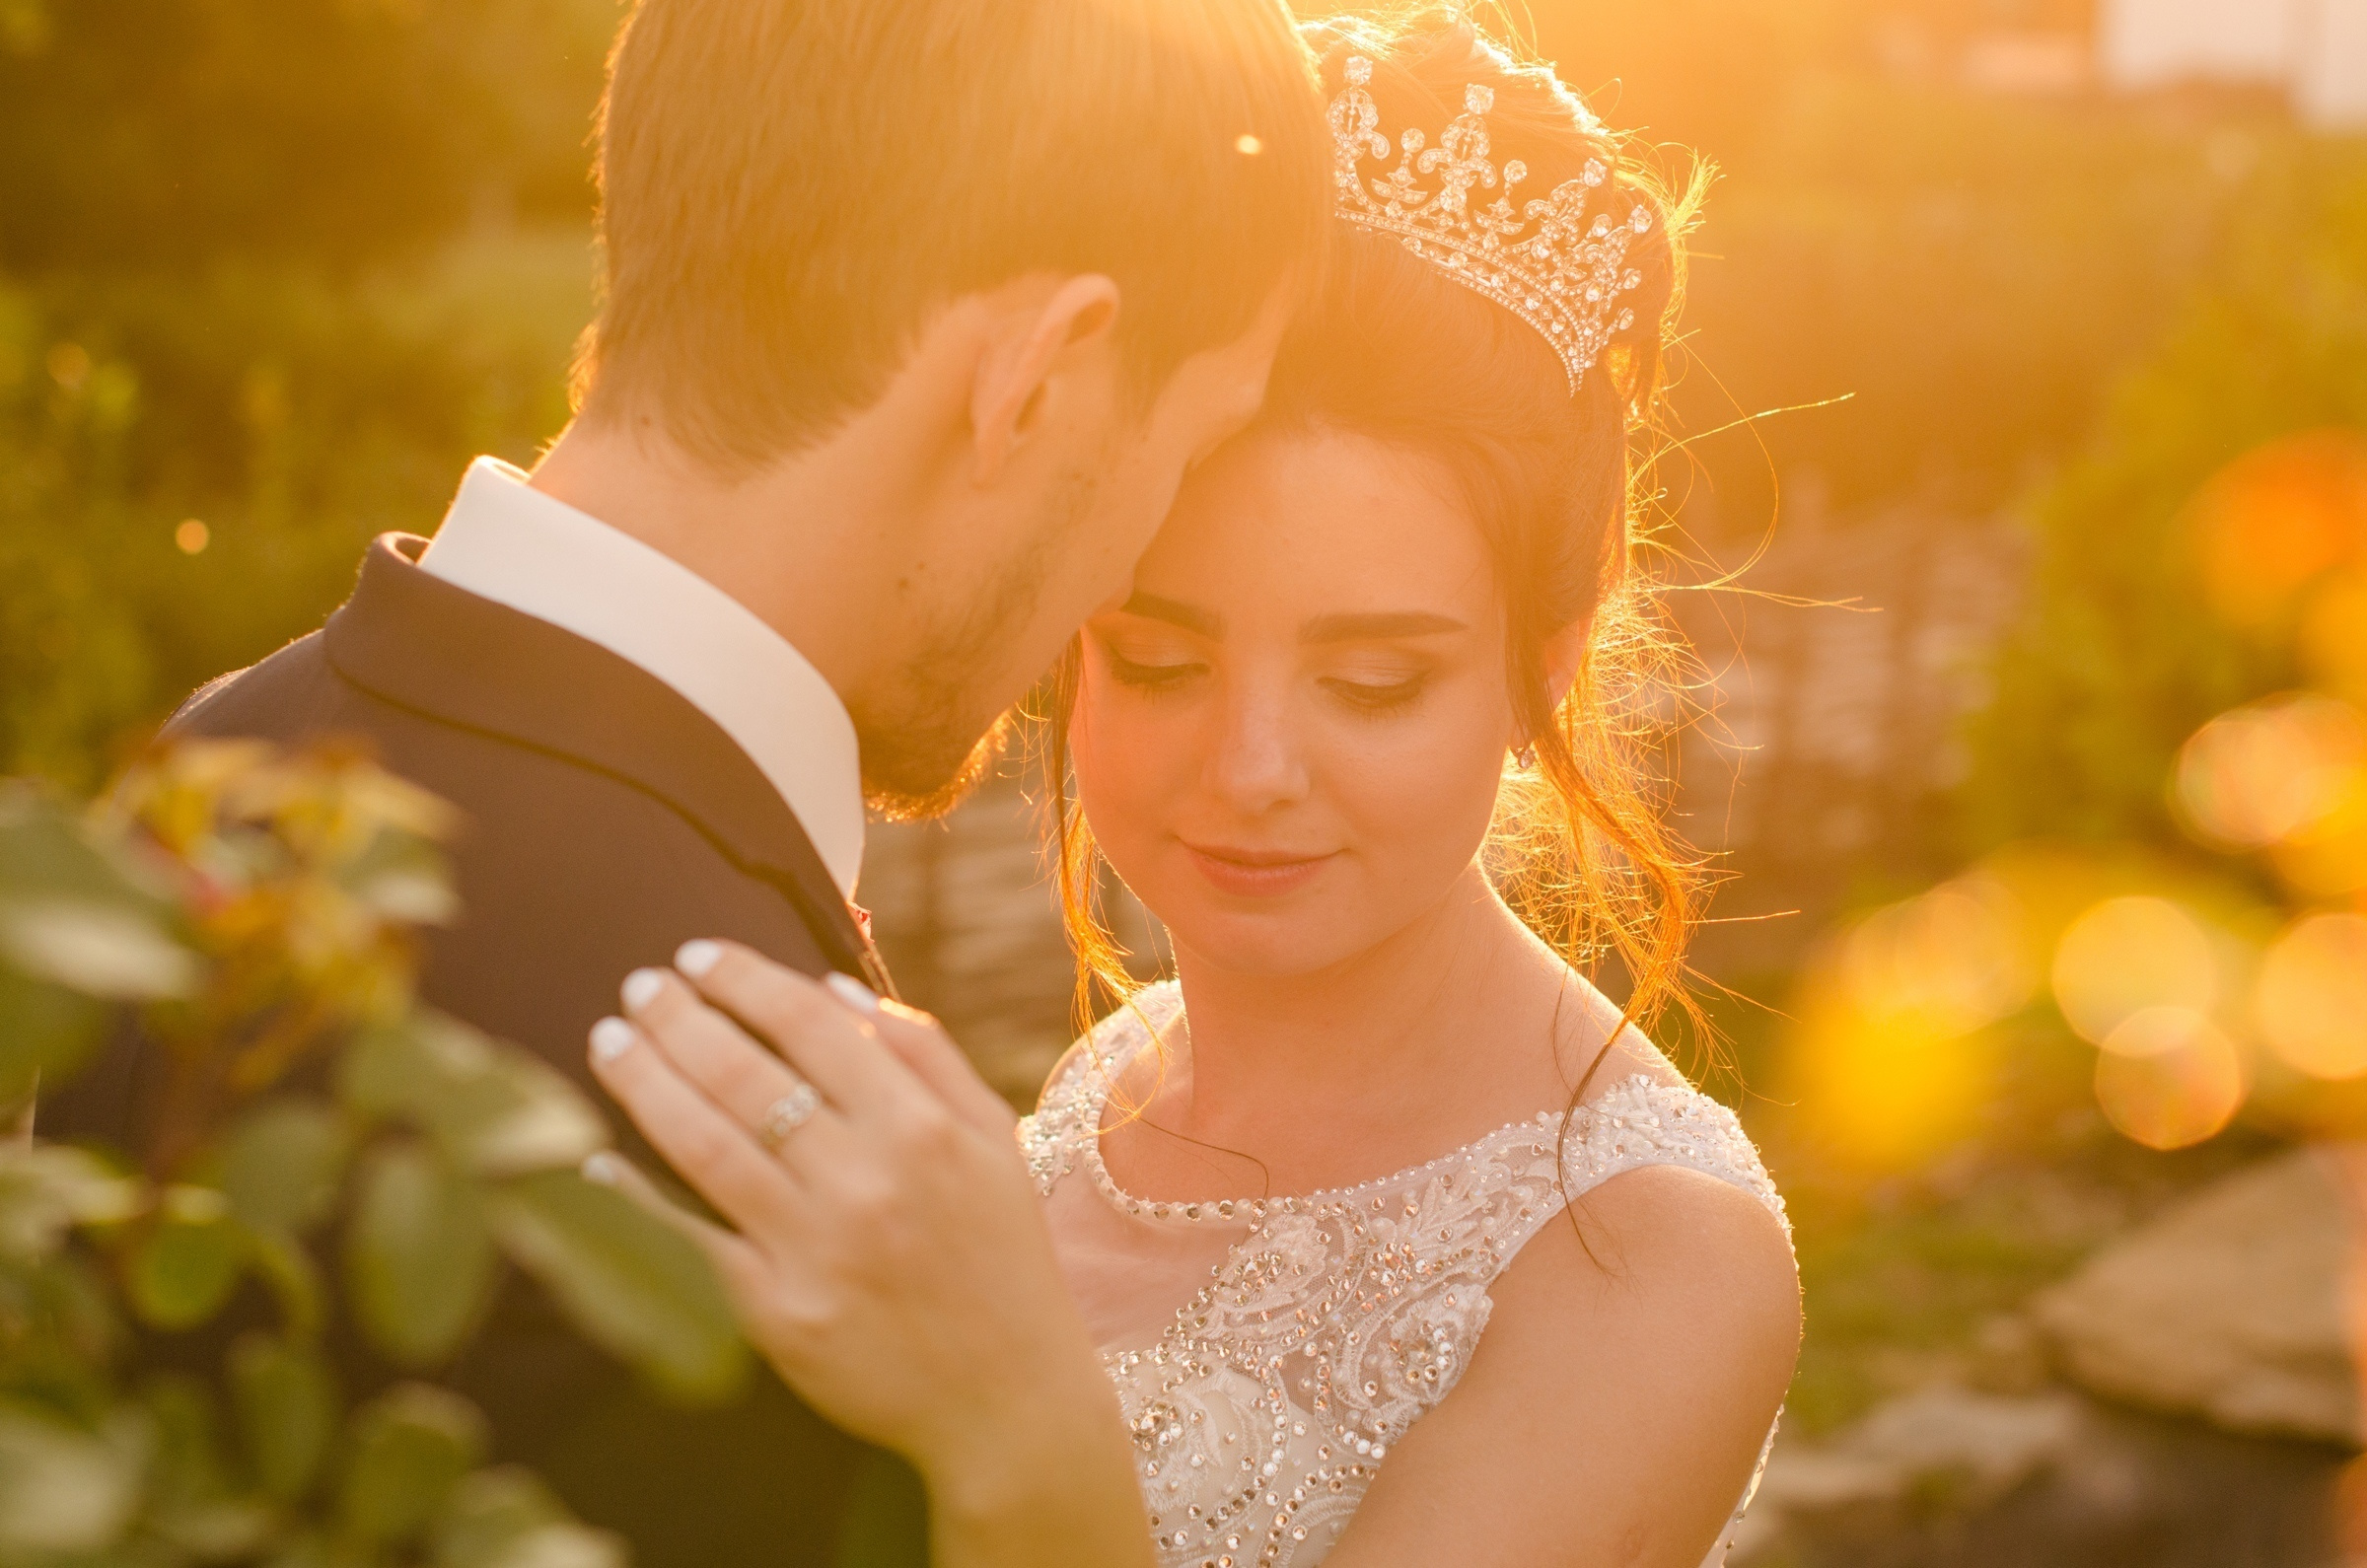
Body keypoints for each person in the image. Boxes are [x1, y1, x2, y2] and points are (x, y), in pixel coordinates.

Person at [37, 2, 1331, 1564]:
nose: (1130, 571)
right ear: (1038, 377)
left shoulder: (208, 770)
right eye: (1184, 448)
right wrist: (1036, 1451)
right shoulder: (766, 1149)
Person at [589, 14, 1801, 1568]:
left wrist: (1015, 1421)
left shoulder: (1652, 1256)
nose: (1249, 771)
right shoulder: (1111, 1078)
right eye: (1160, 662)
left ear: (1544, 665)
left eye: (1374, 682)